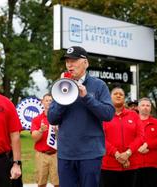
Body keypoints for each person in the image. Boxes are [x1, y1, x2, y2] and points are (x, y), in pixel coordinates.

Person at [47, 46, 115, 187]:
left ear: (86, 63)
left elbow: (108, 114)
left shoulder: (98, 85)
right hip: (66, 154)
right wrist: (64, 98)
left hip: (90, 154)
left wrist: (86, 98)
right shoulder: (60, 86)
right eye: (67, 61)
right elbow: (52, 118)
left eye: (74, 60)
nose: (69, 64)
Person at [100, 87, 142, 187]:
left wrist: (128, 153)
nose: (118, 95)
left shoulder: (134, 115)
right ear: (110, 97)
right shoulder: (103, 115)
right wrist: (117, 154)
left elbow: (141, 136)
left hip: (131, 164)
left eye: (121, 94)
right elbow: (100, 137)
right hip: (108, 166)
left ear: (124, 98)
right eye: (115, 94)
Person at [133, 97, 157, 187]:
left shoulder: (156, 123)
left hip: (151, 165)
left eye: (148, 105)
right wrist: (138, 148)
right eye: (143, 105)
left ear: (150, 108)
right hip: (135, 164)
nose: (145, 107)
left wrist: (148, 145)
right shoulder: (132, 122)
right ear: (138, 108)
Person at [31, 93, 59, 187]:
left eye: (51, 101)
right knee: (41, 183)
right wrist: (40, 130)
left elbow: (66, 138)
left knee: (58, 183)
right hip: (41, 155)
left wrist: (57, 132)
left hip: (56, 154)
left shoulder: (59, 118)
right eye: (46, 100)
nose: (48, 103)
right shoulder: (37, 119)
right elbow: (34, 138)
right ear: (42, 102)